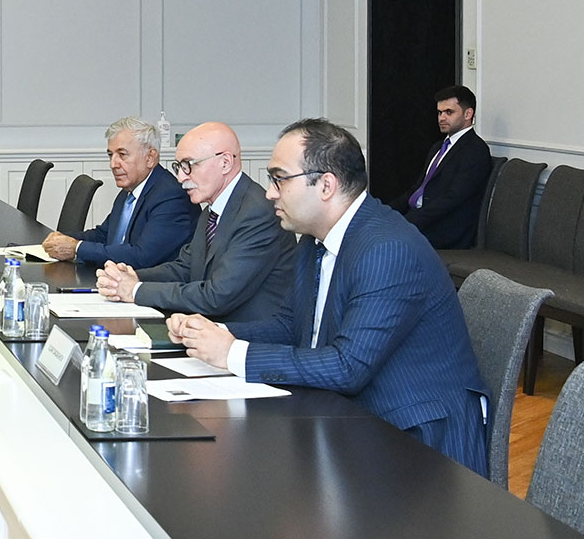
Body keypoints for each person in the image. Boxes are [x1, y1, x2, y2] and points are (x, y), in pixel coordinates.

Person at [170, 119, 489, 476]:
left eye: (279, 179)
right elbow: (290, 324)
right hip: (353, 416)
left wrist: (232, 353)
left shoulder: (387, 249)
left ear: (325, 185)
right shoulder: (315, 238)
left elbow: (348, 366)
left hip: (419, 442)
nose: (270, 193)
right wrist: (214, 333)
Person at [95, 122, 293, 323]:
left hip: (245, 333)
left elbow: (217, 296)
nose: (181, 177)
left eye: (189, 165)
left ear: (225, 163)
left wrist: (136, 290)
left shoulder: (257, 214)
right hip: (210, 326)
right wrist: (132, 276)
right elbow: (185, 267)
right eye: (179, 167)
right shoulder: (212, 210)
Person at [41, 115, 196, 270]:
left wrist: (77, 248)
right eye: (111, 155)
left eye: (122, 155)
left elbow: (141, 257)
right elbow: (104, 235)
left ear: (150, 158)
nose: (113, 164)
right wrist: (63, 239)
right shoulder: (129, 191)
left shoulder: (171, 197)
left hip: (148, 282)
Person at [387, 86, 494, 250]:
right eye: (439, 112)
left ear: (468, 114)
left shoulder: (475, 150)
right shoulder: (438, 147)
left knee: (382, 238)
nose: (441, 118)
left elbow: (452, 199)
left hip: (446, 229)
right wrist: (386, 211)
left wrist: (408, 222)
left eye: (449, 112)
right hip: (422, 218)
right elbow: (417, 189)